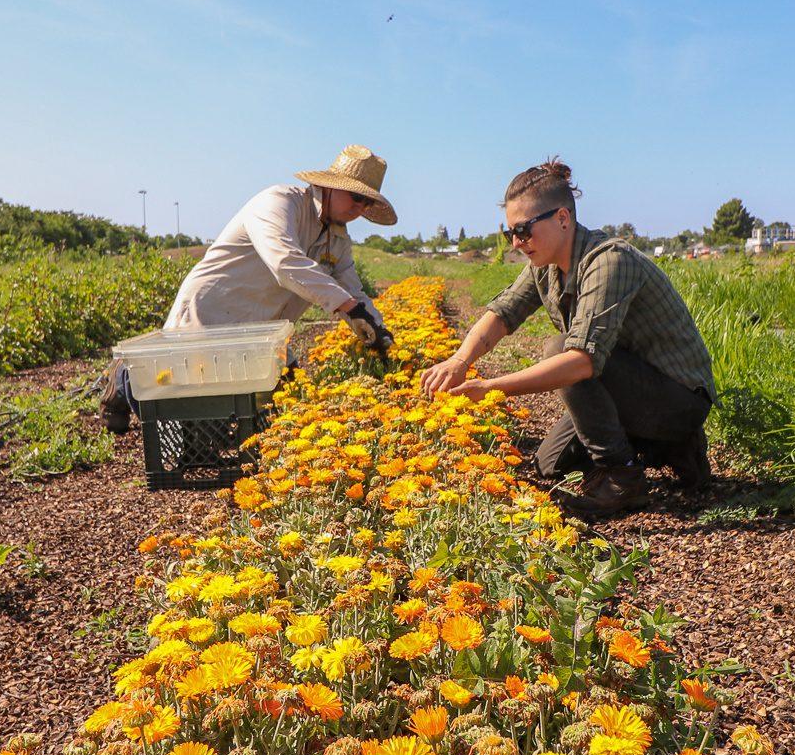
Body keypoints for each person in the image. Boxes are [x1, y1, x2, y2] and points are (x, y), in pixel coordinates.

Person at [417, 158, 715, 518]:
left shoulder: (609, 261)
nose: (516, 242)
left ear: (562, 218)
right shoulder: (544, 265)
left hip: (678, 397)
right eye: (509, 232)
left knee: (560, 350)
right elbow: (503, 313)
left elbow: (581, 361)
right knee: (550, 465)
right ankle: (667, 450)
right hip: (629, 387)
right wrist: (459, 361)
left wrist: (491, 387)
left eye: (524, 230)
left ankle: (623, 476)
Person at [102, 145, 398, 433]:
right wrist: (347, 307)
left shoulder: (338, 240)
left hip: (262, 335)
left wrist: (378, 330)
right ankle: (126, 376)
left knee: (290, 406)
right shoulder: (280, 203)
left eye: (367, 203)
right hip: (212, 316)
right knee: (190, 415)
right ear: (331, 186)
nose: (359, 209)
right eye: (356, 197)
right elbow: (284, 262)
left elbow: (353, 291)